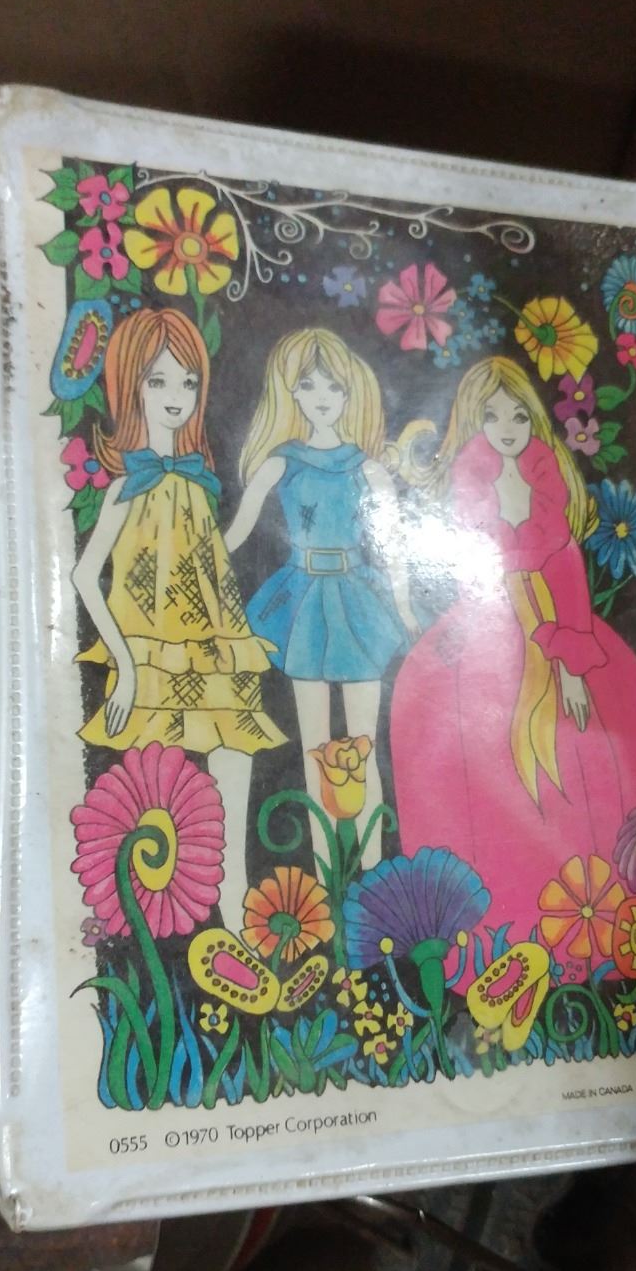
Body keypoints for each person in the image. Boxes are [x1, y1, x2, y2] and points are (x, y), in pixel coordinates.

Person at [389, 355, 636, 962]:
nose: (507, 427)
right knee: (470, 757)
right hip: (491, 637)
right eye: (492, 416)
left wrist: (570, 665)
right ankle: (494, 931)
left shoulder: (547, 480)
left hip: (558, 629)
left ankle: (605, 922)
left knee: (587, 764)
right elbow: (471, 574)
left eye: (518, 415)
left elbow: (565, 568)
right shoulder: (470, 485)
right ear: (475, 422)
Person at [71, 306, 284, 928]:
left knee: (234, 772)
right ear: (130, 386)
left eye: (187, 382)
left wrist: (261, 494)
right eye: (157, 380)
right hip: (151, 659)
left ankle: (236, 918)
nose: (175, 396)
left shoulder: (198, 485)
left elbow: (219, 553)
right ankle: (169, 929)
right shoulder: (126, 486)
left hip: (214, 649)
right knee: (161, 798)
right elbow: (85, 577)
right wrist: (127, 669)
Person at [226, 327, 418, 867]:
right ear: (291, 392)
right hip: (302, 602)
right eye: (308, 385)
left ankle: (373, 873)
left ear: (350, 392)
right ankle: (328, 872)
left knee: (364, 749)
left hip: (356, 600)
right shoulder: (280, 461)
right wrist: (190, 561)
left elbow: (395, 547)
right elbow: (235, 534)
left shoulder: (368, 469)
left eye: (332, 386)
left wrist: (405, 607)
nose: (322, 397)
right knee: (315, 753)